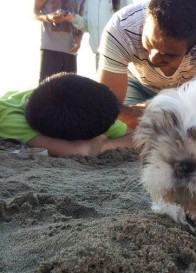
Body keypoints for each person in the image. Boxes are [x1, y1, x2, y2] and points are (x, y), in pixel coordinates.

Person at [97, 0, 196, 123]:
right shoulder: (121, 28)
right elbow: (108, 108)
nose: (153, 58)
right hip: (137, 85)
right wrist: (144, 113)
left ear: (194, 47)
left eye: (169, 55)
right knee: (123, 129)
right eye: (149, 43)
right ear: (146, 19)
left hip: (185, 92)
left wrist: (176, 111)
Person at [0, 73, 135, 157]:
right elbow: (80, 151)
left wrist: (103, 143)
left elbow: (138, 136)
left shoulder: (81, 105)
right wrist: (101, 143)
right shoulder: (8, 120)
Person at [66, 0, 135, 70]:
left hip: (117, 56)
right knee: (101, 81)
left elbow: (131, 20)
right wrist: (73, 18)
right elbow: (87, 25)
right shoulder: (89, 2)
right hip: (99, 56)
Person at [33, 0, 86, 83]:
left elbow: (83, 18)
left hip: (71, 52)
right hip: (50, 50)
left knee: (69, 93)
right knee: (46, 93)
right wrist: (49, 18)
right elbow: (34, 11)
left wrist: (79, 39)